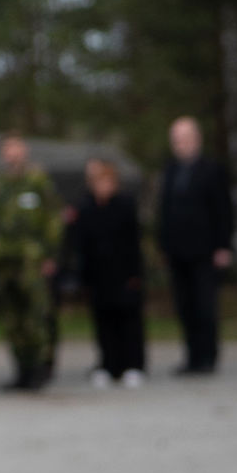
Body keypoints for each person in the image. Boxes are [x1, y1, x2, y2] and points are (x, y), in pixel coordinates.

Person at [154, 114, 235, 376]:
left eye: (185, 138)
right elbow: (163, 211)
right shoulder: (170, 171)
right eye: (176, 139)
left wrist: (223, 246)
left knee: (204, 306)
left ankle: (207, 357)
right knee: (185, 306)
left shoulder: (212, 170)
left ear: (196, 139)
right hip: (178, 251)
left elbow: (224, 210)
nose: (181, 144)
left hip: (205, 251)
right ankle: (191, 357)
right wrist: (163, 246)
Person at [66, 151, 150, 385]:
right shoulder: (86, 208)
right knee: (104, 323)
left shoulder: (125, 205)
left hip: (124, 274)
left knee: (129, 322)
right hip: (98, 276)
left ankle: (133, 365)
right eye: (97, 182)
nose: (102, 186)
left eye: (106, 181)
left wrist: (135, 274)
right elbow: (81, 244)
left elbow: (134, 243)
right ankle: (109, 365)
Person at [0, 135, 62, 390]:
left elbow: (53, 218)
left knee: (36, 315)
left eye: (16, 148)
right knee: (13, 318)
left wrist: (50, 254)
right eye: (7, 149)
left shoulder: (38, 180)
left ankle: (41, 369)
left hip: (33, 260)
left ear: (25, 150)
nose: (12, 154)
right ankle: (22, 370)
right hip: (6, 262)